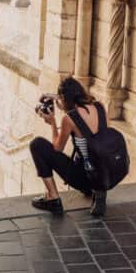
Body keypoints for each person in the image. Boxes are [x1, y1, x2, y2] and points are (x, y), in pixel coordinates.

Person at [28, 77, 107, 217]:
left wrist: (52, 122)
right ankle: (97, 189)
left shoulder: (69, 119)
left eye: (61, 99)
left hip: (83, 178)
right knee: (87, 154)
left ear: (65, 98)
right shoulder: (100, 108)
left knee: (37, 144)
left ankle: (52, 197)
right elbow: (85, 126)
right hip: (104, 174)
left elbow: (57, 148)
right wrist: (59, 97)